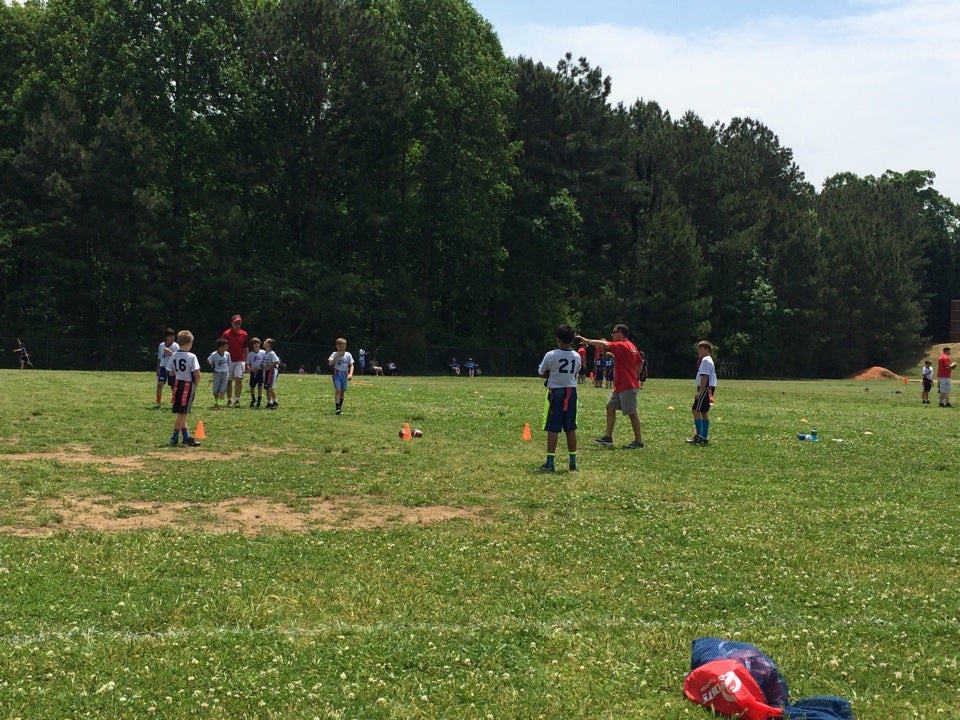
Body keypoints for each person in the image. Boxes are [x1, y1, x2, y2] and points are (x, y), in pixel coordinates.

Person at [575, 324, 645, 449]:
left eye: (614, 332)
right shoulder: (632, 346)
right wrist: (635, 376)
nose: (612, 334)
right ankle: (608, 437)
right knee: (610, 407)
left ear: (621, 333)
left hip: (627, 385)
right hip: (620, 385)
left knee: (632, 413)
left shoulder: (622, 345)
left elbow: (604, 344)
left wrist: (587, 341)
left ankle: (638, 441)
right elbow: (639, 363)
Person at [537, 324, 582, 472]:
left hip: (555, 392)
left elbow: (542, 372)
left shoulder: (551, 355)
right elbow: (576, 372)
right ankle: (573, 462)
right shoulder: (577, 355)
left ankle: (550, 463)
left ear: (557, 338)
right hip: (571, 391)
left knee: (553, 428)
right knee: (570, 428)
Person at [165, 330, 202, 446]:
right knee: (183, 413)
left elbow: (170, 372)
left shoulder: (174, 354)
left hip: (177, 384)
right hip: (187, 384)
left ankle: (186, 437)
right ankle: (174, 437)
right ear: (188, 343)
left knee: (182, 412)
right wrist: (195, 386)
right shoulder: (191, 356)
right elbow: (197, 373)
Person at [687, 340, 717, 445]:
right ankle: (703, 436)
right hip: (709, 388)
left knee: (695, 409)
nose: (698, 351)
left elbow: (705, 376)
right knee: (703, 411)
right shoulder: (709, 360)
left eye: (700, 349)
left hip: (705, 388)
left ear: (707, 349)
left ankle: (699, 436)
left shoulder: (705, 360)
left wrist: (700, 392)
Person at [220, 314, 248, 407]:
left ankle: (237, 400)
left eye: (239, 323)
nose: (238, 325)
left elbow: (245, 348)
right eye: (236, 323)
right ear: (232, 323)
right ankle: (229, 400)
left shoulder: (244, 334)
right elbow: (222, 347)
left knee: (238, 379)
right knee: (229, 380)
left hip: (239, 360)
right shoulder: (226, 334)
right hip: (228, 360)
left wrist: (246, 361)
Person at [328, 337, 354, 415]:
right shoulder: (334, 354)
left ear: (345, 346)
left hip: (344, 374)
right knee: (338, 390)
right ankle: (337, 408)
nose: (341, 348)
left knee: (342, 391)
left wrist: (350, 374)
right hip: (337, 374)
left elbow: (351, 365)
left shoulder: (348, 355)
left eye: (343, 346)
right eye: (339, 347)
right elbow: (330, 363)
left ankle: (340, 407)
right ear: (337, 346)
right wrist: (337, 356)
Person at [154, 329, 179, 408]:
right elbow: (159, 357)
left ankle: (174, 401)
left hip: (171, 369)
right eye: (170, 336)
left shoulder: (175, 346)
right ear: (166, 337)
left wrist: (170, 352)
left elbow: (178, 357)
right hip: (163, 367)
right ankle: (158, 402)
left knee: (173, 386)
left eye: (173, 336)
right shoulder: (161, 345)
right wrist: (158, 368)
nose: (172, 338)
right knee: (160, 384)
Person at [206, 338, 232, 410]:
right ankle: (216, 403)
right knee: (216, 390)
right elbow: (209, 360)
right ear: (221, 346)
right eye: (226, 346)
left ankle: (220, 405)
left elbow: (229, 362)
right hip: (217, 373)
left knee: (222, 390)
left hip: (225, 373)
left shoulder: (227, 354)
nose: (227, 347)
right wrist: (212, 366)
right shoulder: (214, 354)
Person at [260, 338, 281, 410]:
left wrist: (268, 365)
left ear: (269, 344)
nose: (264, 342)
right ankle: (269, 402)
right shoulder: (265, 353)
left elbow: (277, 362)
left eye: (265, 341)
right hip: (266, 372)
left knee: (270, 387)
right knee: (266, 387)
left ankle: (275, 402)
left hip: (271, 372)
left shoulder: (272, 353)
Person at [246, 337, 265, 408]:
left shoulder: (263, 352)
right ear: (252, 345)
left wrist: (264, 367)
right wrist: (250, 369)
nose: (256, 345)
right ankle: (253, 399)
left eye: (258, 343)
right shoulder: (251, 354)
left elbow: (266, 361)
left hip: (261, 371)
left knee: (260, 386)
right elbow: (247, 363)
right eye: (255, 344)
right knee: (252, 386)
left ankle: (259, 403)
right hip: (254, 372)